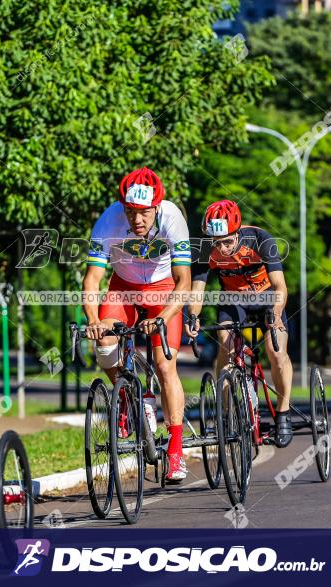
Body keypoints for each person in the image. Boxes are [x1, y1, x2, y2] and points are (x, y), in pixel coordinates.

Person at [82, 167, 192, 482]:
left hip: (163, 291)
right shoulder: (108, 220)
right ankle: (131, 398)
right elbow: (92, 278)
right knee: (104, 343)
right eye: (131, 212)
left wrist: (164, 316)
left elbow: (183, 282)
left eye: (143, 213)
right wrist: (93, 320)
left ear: (156, 207)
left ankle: (174, 450)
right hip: (123, 288)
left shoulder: (172, 218)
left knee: (164, 363)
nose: (137, 220)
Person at [185, 200, 293, 447]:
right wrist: (193, 316)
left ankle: (283, 413)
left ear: (237, 231)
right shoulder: (206, 250)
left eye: (227, 242)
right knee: (226, 347)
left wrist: (275, 313)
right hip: (233, 302)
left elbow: (280, 286)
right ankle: (225, 414)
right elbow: (197, 291)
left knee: (276, 352)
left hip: (267, 299)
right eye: (216, 243)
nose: (221, 248)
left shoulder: (260, 239)